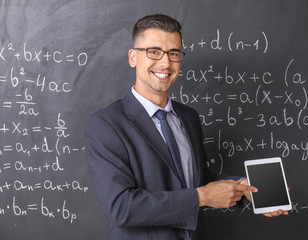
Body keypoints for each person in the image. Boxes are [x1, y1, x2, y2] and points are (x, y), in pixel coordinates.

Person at [85, 14, 288, 240]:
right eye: (153, 51)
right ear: (133, 57)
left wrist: (243, 187)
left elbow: (196, 179)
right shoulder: (106, 125)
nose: (165, 63)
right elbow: (122, 208)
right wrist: (200, 197)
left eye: (174, 53)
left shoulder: (188, 117)